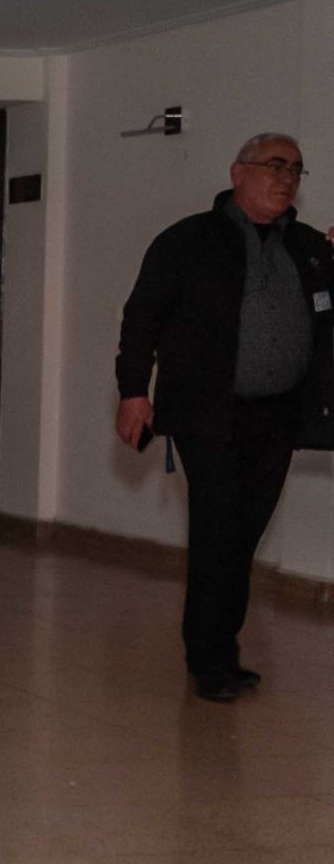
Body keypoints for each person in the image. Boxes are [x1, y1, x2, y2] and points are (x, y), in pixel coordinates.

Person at [115, 134, 333, 701]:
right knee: (219, 530)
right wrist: (134, 391)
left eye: (296, 169)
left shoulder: (310, 247)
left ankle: (219, 648)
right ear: (238, 173)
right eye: (274, 165)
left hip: (279, 416)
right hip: (207, 412)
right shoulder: (187, 240)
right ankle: (210, 659)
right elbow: (142, 317)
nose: (287, 178)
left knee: (243, 534)